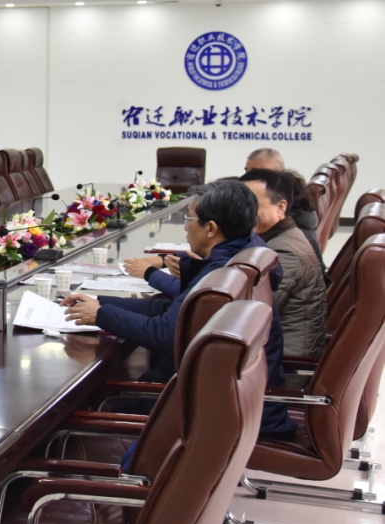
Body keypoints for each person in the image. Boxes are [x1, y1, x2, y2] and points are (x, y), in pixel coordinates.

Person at [62, 178, 295, 438]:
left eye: (189, 219)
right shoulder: (243, 252)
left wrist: (100, 315)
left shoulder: (221, 275)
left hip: (221, 414)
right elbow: (170, 308)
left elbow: (166, 334)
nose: (185, 227)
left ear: (211, 228)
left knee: (84, 404)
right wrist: (100, 302)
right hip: (238, 400)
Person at [241, 168, 327, 357]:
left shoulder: (284, 252)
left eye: (253, 205)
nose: (243, 213)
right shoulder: (277, 238)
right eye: (240, 205)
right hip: (269, 350)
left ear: (281, 207)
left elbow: (250, 315)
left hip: (286, 362)